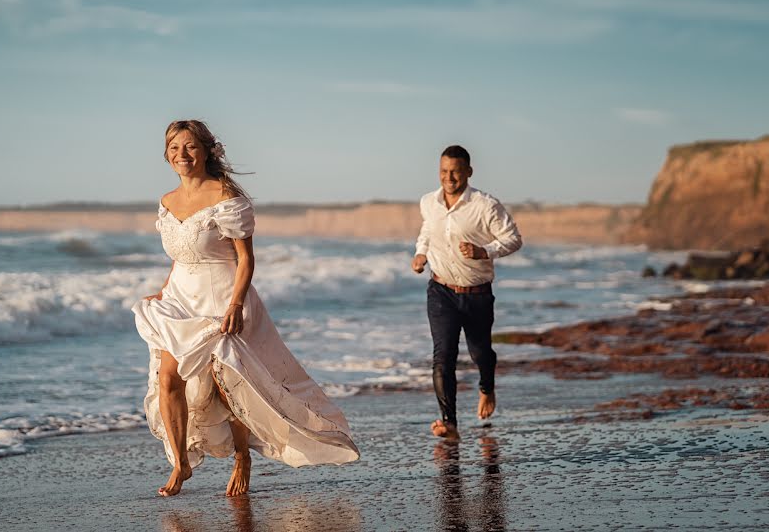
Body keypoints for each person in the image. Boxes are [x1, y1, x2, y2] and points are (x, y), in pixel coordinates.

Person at [132, 120, 359, 497]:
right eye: (174, 148)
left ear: (207, 150)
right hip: (179, 299)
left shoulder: (225, 196)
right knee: (168, 379)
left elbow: (246, 259)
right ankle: (180, 463)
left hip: (222, 297)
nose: (182, 155)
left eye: (189, 147)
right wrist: (162, 291)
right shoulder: (167, 201)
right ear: (166, 155)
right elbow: (181, 256)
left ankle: (242, 457)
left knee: (228, 387)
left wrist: (236, 303)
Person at [412, 145, 523, 441]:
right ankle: (450, 423)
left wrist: (484, 251)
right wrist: (421, 253)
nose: (449, 178)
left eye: (456, 172)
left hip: (476, 293)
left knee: (480, 353)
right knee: (443, 356)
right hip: (441, 290)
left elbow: (513, 239)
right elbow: (427, 229)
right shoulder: (428, 202)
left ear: (468, 172)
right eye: (444, 172)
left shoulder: (485, 206)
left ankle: (487, 388)